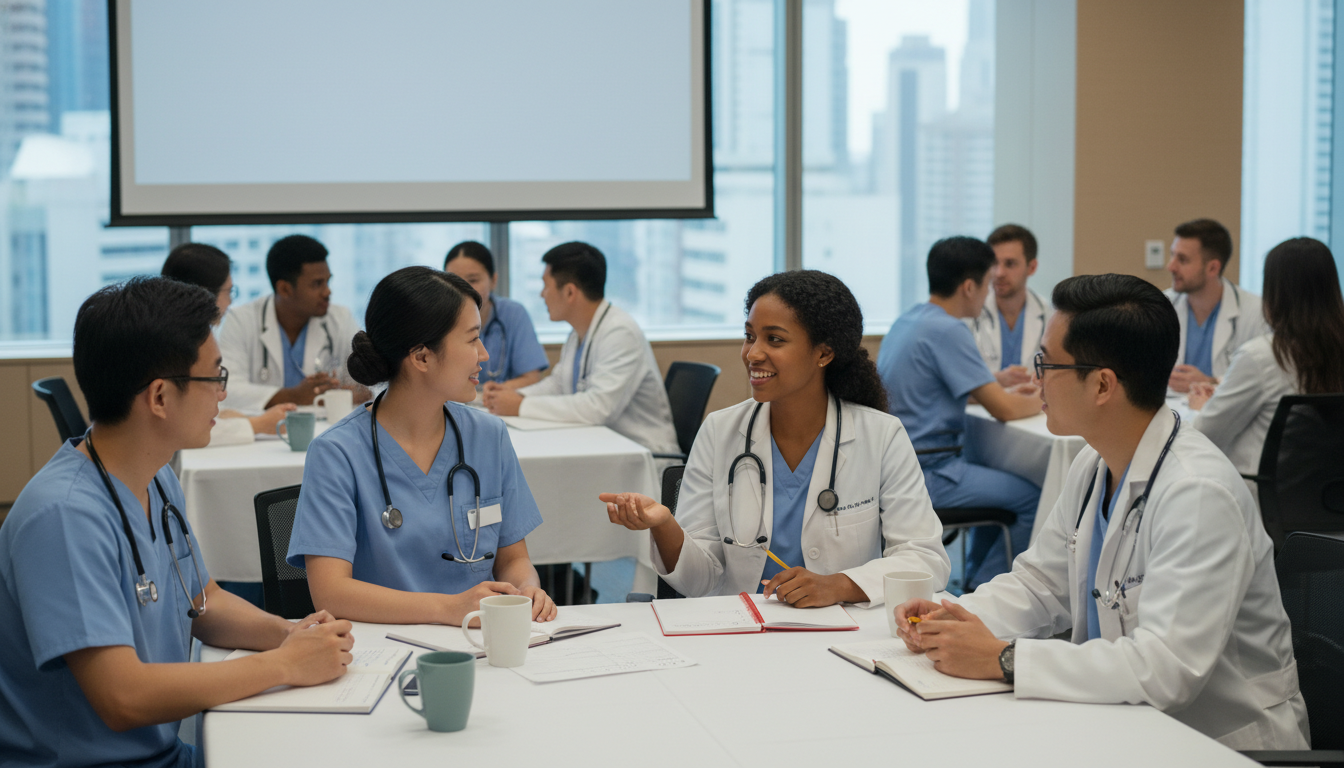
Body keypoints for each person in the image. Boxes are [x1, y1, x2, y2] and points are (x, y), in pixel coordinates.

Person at [894, 274, 1308, 751]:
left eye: (1046, 363)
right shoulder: (1095, 463)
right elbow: (1040, 584)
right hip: (1127, 729)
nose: (1035, 377)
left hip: (1220, 745)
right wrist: (950, 616)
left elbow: (1165, 670)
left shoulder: (1197, 493)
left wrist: (1006, 659)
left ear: (1103, 385)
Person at [0, 277, 354, 767]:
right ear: (160, 398)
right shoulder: (63, 516)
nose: (222, 396)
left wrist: (288, 634)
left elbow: (201, 599)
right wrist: (285, 665)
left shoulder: (156, 477)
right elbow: (122, 696)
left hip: (163, 752)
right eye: (216, 378)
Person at [601, 271, 949, 604]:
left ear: (824, 353)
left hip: (843, 629)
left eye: (775, 339)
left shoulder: (881, 436)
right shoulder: (719, 431)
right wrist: (665, 525)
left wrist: (839, 585)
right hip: (745, 629)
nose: (753, 354)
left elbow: (926, 559)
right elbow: (700, 580)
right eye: (750, 335)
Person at [288, 267, 557, 624]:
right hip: (383, 652)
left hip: (480, 641)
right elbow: (331, 593)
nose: (485, 354)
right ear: (422, 357)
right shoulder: (337, 454)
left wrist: (526, 589)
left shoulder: (489, 437)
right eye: (472, 339)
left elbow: (512, 559)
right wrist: (449, 609)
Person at [878, 236, 1043, 589]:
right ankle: (989, 589)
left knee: (1000, 489)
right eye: (986, 284)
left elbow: (931, 387)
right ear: (969, 287)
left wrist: (992, 380)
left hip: (899, 466)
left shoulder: (911, 320)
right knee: (1033, 497)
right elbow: (1005, 408)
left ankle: (973, 579)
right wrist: (1048, 396)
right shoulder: (948, 329)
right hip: (930, 473)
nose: (988, 294)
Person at [482, 241, 678, 455]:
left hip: (645, 455)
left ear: (569, 292)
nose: (542, 294)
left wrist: (520, 405)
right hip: (603, 448)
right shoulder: (579, 332)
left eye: (546, 286)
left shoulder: (620, 332)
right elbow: (558, 385)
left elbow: (597, 408)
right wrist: (512, 394)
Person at [1191, 237, 1344, 479]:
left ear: (1275, 293)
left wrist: (1201, 408)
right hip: (1329, 502)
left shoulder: (1262, 356)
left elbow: (1205, 434)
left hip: (1263, 502)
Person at [162, 242, 295, 445]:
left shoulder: (180, 336)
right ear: (205, 293)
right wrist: (258, 424)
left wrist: (236, 418)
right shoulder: (171, 348)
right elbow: (178, 427)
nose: (230, 302)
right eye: (228, 292)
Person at [218, 234, 365, 411]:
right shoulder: (242, 321)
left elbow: (368, 384)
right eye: (317, 284)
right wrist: (295, 396)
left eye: (328, 281)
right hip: (263, 433)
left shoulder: (340, 319)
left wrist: (341, 393)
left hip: (326, 430)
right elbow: (227, 389)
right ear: (285, 289)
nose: (327, 292)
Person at [1164, 218, 1269, 392]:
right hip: (1172, 413)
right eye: (1172, 255)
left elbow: (1264, 382)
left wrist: (1211, 382)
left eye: (1182, 260)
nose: (1171, 266)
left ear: (1213, 268)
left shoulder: (1256, 313)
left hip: (1227, 414)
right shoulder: (1162, 306)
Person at [443, 240, 549, 389]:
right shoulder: (437, 319)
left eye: (473, 280)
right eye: (454, 281)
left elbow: (532, 378)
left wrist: (493, 394)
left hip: (498, 406)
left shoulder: (513, 314)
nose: (463, 289)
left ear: (493, 280)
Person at [968, 224, 1052, 387]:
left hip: (1033, 410)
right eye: (994, 263)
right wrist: (995, 380)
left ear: (1032, 267)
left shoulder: (1049, 315)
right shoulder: (969, 315)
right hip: (978, 409)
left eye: (1010, 264)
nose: (999, 273)